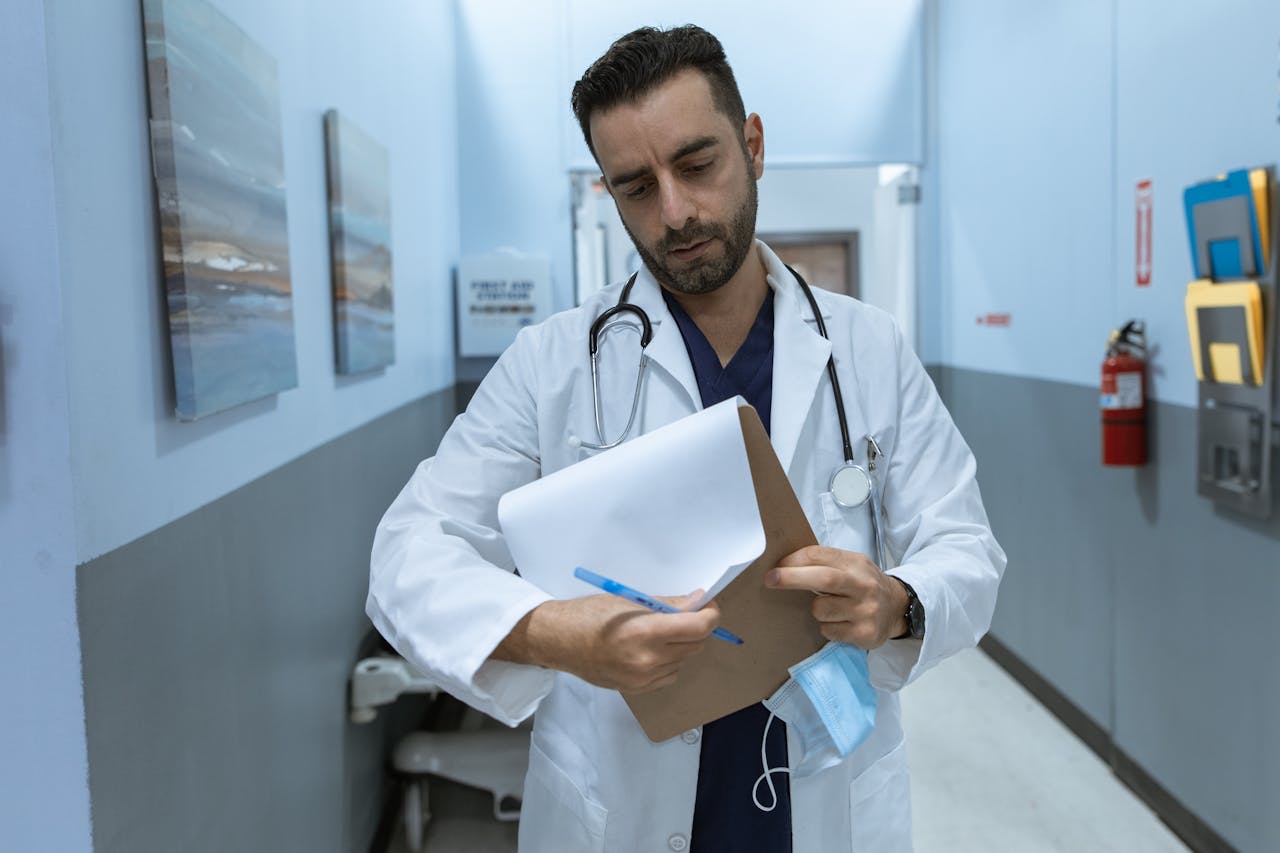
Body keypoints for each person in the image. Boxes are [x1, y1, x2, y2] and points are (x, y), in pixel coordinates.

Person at [368, 24, 1005, 853]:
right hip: (622, 811)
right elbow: (408, 552)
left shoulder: (867, 348)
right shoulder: (553, 363)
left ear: (753, 145)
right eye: (635, 186)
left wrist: (900, 602)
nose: (674, 213)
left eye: (697, 165)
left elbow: (966, 547)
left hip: (826, 802)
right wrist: (560, 635)